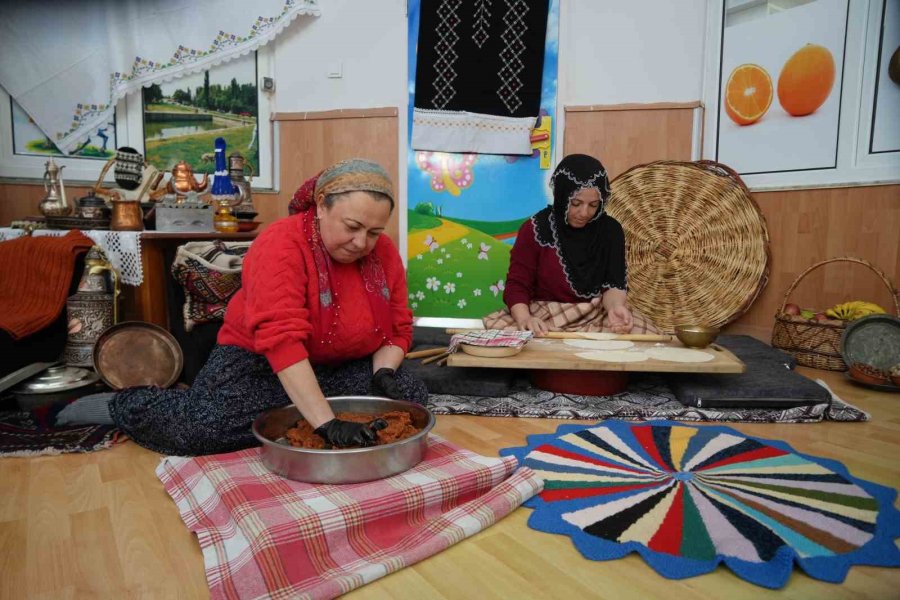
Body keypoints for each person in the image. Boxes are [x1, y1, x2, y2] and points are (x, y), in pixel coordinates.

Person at [58, 159, 428, 455]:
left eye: (375, 232)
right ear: (320, 206)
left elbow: (397, 328)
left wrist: (384, 375)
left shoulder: (384, 255)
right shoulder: (281, 244)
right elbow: (281, 340)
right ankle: (124, 405)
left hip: (339, 366)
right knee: (203, 429)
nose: (362, 242)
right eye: (352, 226)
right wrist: (326, 425)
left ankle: (301, 407)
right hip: (258, 364)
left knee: (409, 395)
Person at [483, 153, 658, 336]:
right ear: (561, 196)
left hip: (594, 313)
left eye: (593, 205)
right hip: (544, 314)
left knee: (649, 335)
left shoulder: (610, 230)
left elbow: (614, 284)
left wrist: (615, 307)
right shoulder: (534, 229)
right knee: (504, 334)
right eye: (576, 203)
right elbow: (517, 285)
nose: (584, 213)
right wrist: (525, 318)